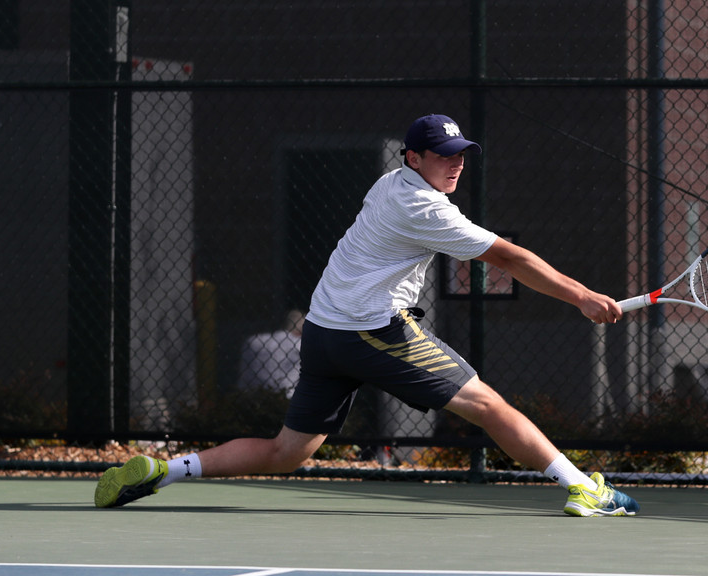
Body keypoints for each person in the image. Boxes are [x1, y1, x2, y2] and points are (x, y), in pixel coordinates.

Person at [94, 114, 639, 517]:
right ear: (414, 159)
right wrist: (583, 296)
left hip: (325, 330)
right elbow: (510, 257)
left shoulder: (390, 184)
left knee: (287, 453)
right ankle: (582, 488)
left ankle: (163, 473)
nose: (455, 163)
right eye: (442, 154)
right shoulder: (423, 208)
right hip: (370, 329)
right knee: (490, 405)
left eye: (460, 153)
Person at [237, 310, 305, 397]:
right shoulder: (301, 345)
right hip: (289, 399)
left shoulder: (254, 341)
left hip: (252, 398)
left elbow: (244, 377)